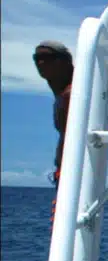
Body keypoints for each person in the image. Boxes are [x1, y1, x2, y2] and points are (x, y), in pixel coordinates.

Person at [33, 41, 73, 191]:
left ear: (65, 61)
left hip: (73, 175)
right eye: (37, 58)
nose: (40, 63)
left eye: (48, 57)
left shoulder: (71, 95)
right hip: (66, 174)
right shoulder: (62, 95)